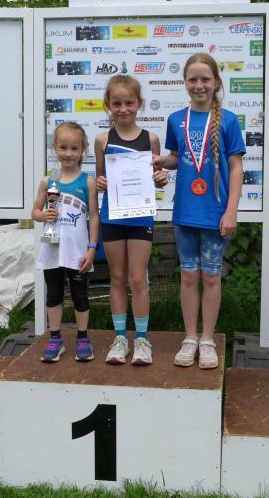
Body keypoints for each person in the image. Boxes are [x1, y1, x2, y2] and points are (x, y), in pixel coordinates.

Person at [154, 53, 245, 369]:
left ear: (216, 82)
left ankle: (207, 339)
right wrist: (160, 162)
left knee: (212, 277)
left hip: (215, 213)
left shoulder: (229, 120)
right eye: (192, 79)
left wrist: (231, 211)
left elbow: (236, 168)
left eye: (205, 79)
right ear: (185, 83)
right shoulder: (176, 119)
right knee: (189, 276)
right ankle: (190, 337)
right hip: (185, 212)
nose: (199, 85)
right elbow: (175, 157)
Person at [95, 75, 167, 365]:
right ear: (108, 105)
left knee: (138, 278)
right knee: (117, 278)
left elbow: (156, 177)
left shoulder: (151, 139)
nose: (123, 109)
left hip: (140, 216)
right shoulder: (102, 140)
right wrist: (100, 182)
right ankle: (120, 338)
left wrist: (161, 179)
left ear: (139, 104)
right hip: (113, 214)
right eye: (117, 103)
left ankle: (142, 339)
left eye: (129, 102)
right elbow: (101, 177)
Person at [32, 121, 100, 363]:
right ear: (54, 148)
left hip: (78, 252)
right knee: (54, 294)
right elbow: (35, 211)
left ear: (83, 150)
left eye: (74, 148)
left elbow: (94, 216)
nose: (68, 153)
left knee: (80, 295)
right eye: (63, 148)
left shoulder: (88, 182)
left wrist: (92, 248)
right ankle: (55, 338)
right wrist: (43, 215)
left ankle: (82, 337)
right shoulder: (48, 181)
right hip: (52, 249)